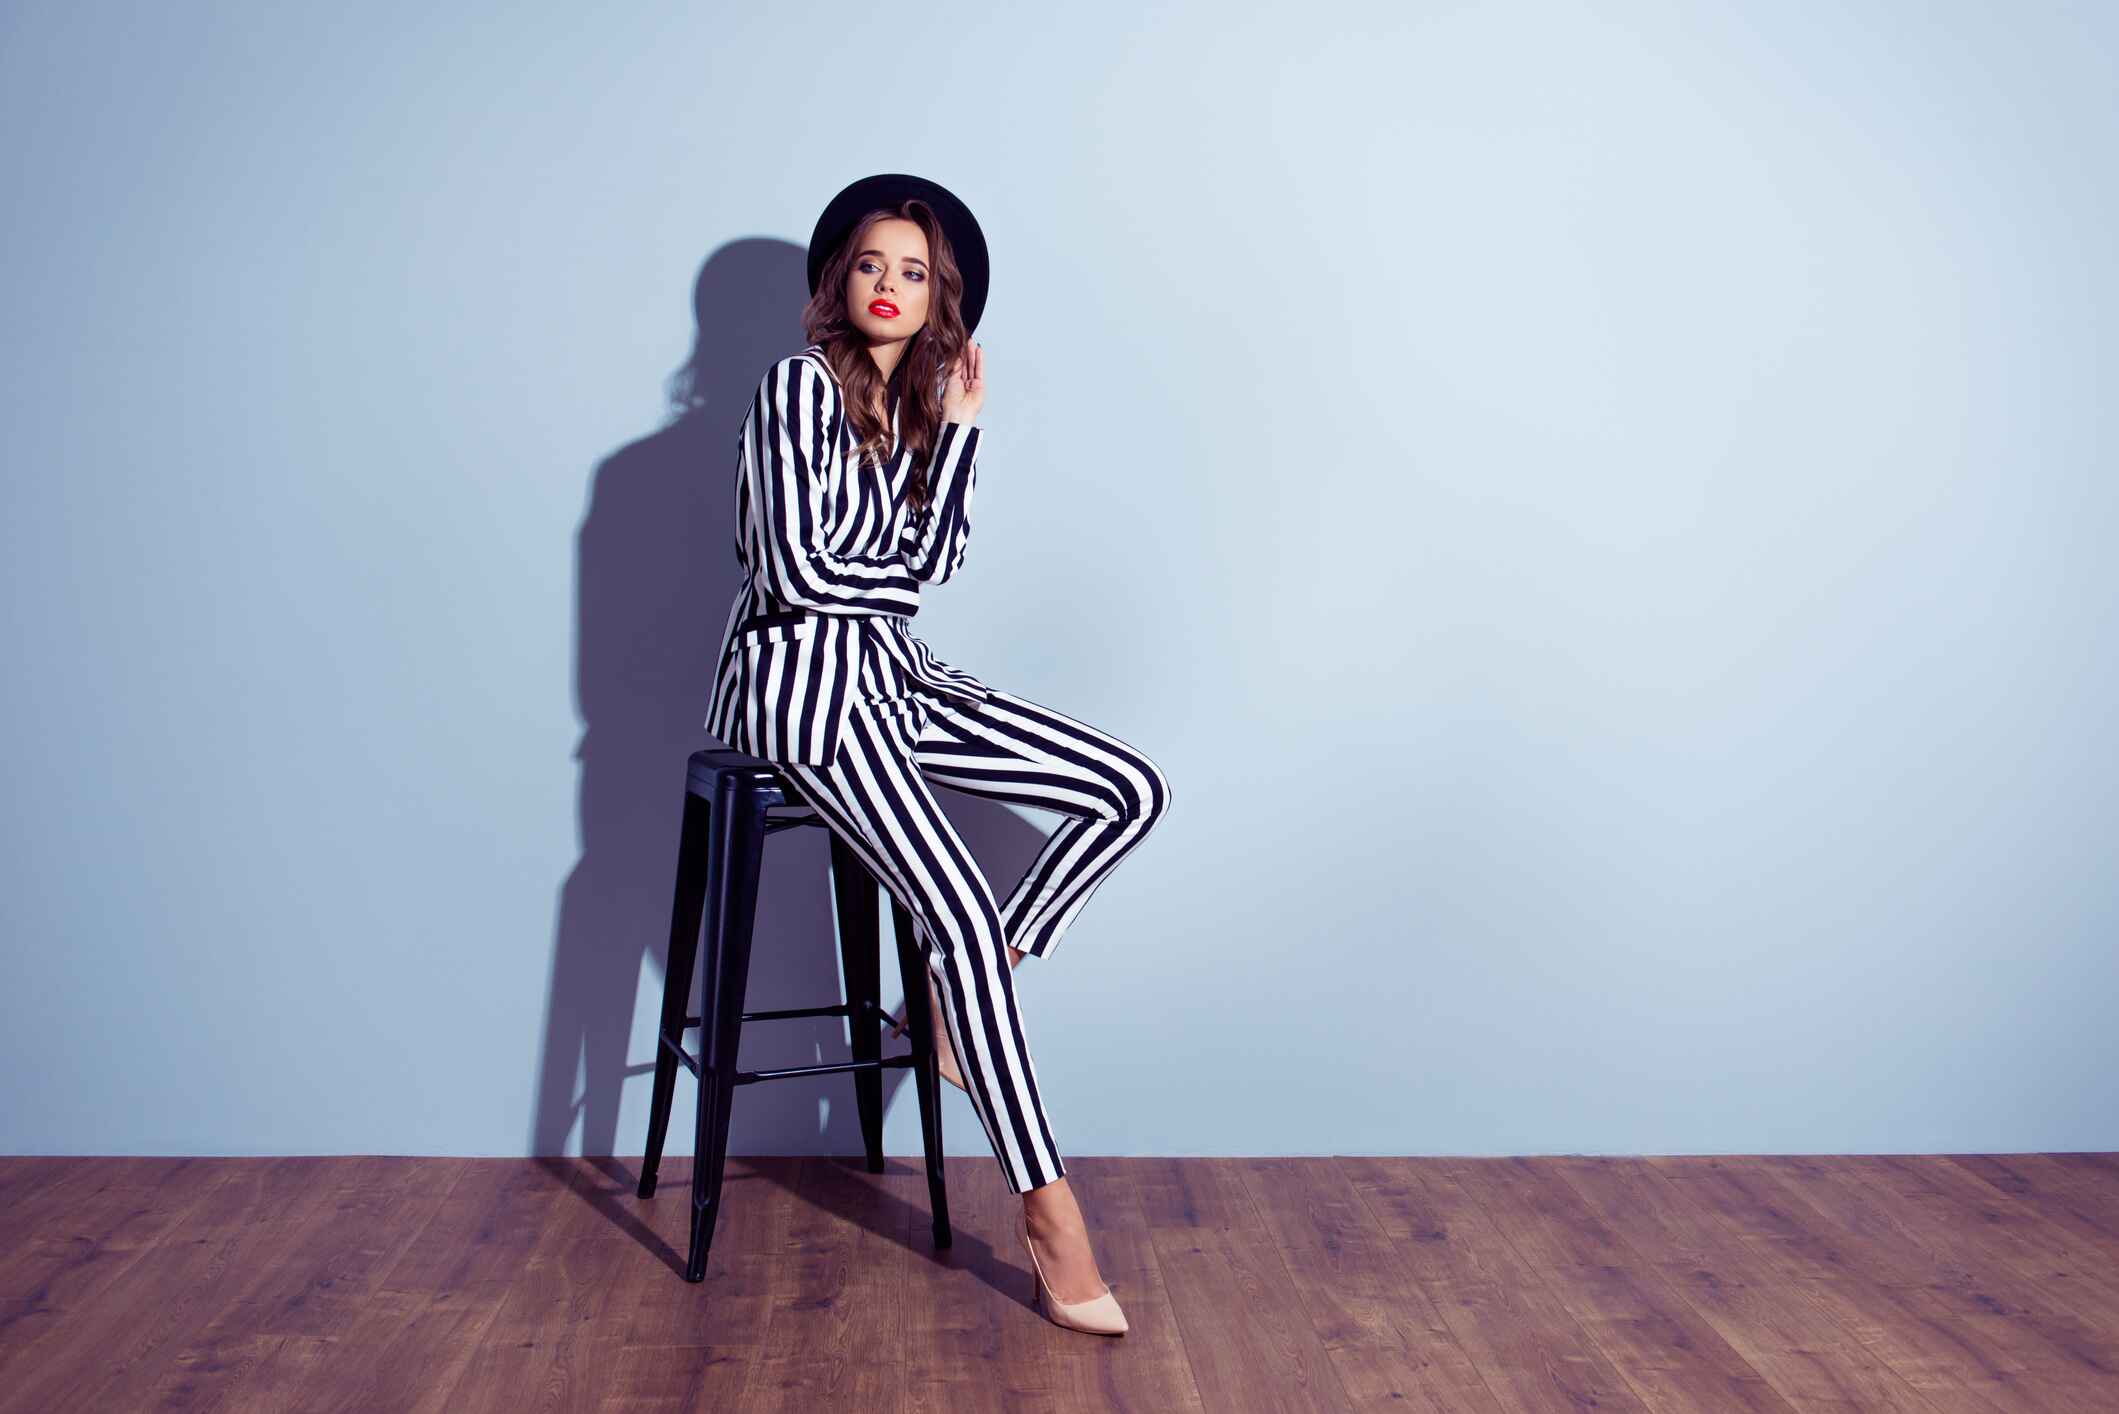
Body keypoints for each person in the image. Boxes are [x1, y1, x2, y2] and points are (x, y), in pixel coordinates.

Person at [704, 173, 1172, 1335]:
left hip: (893, 675)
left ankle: (972, 991)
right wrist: (898, 569)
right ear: (837, 277)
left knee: (1128, 786)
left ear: (938, 302)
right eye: (872, 264)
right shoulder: (793, 391)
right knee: (952, 904)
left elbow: (936, 559)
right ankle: (1050, 1211)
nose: (889, 287)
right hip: (799, 691)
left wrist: (959, 435)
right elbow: (803, 576)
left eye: (914, 274)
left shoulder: (913, 413)